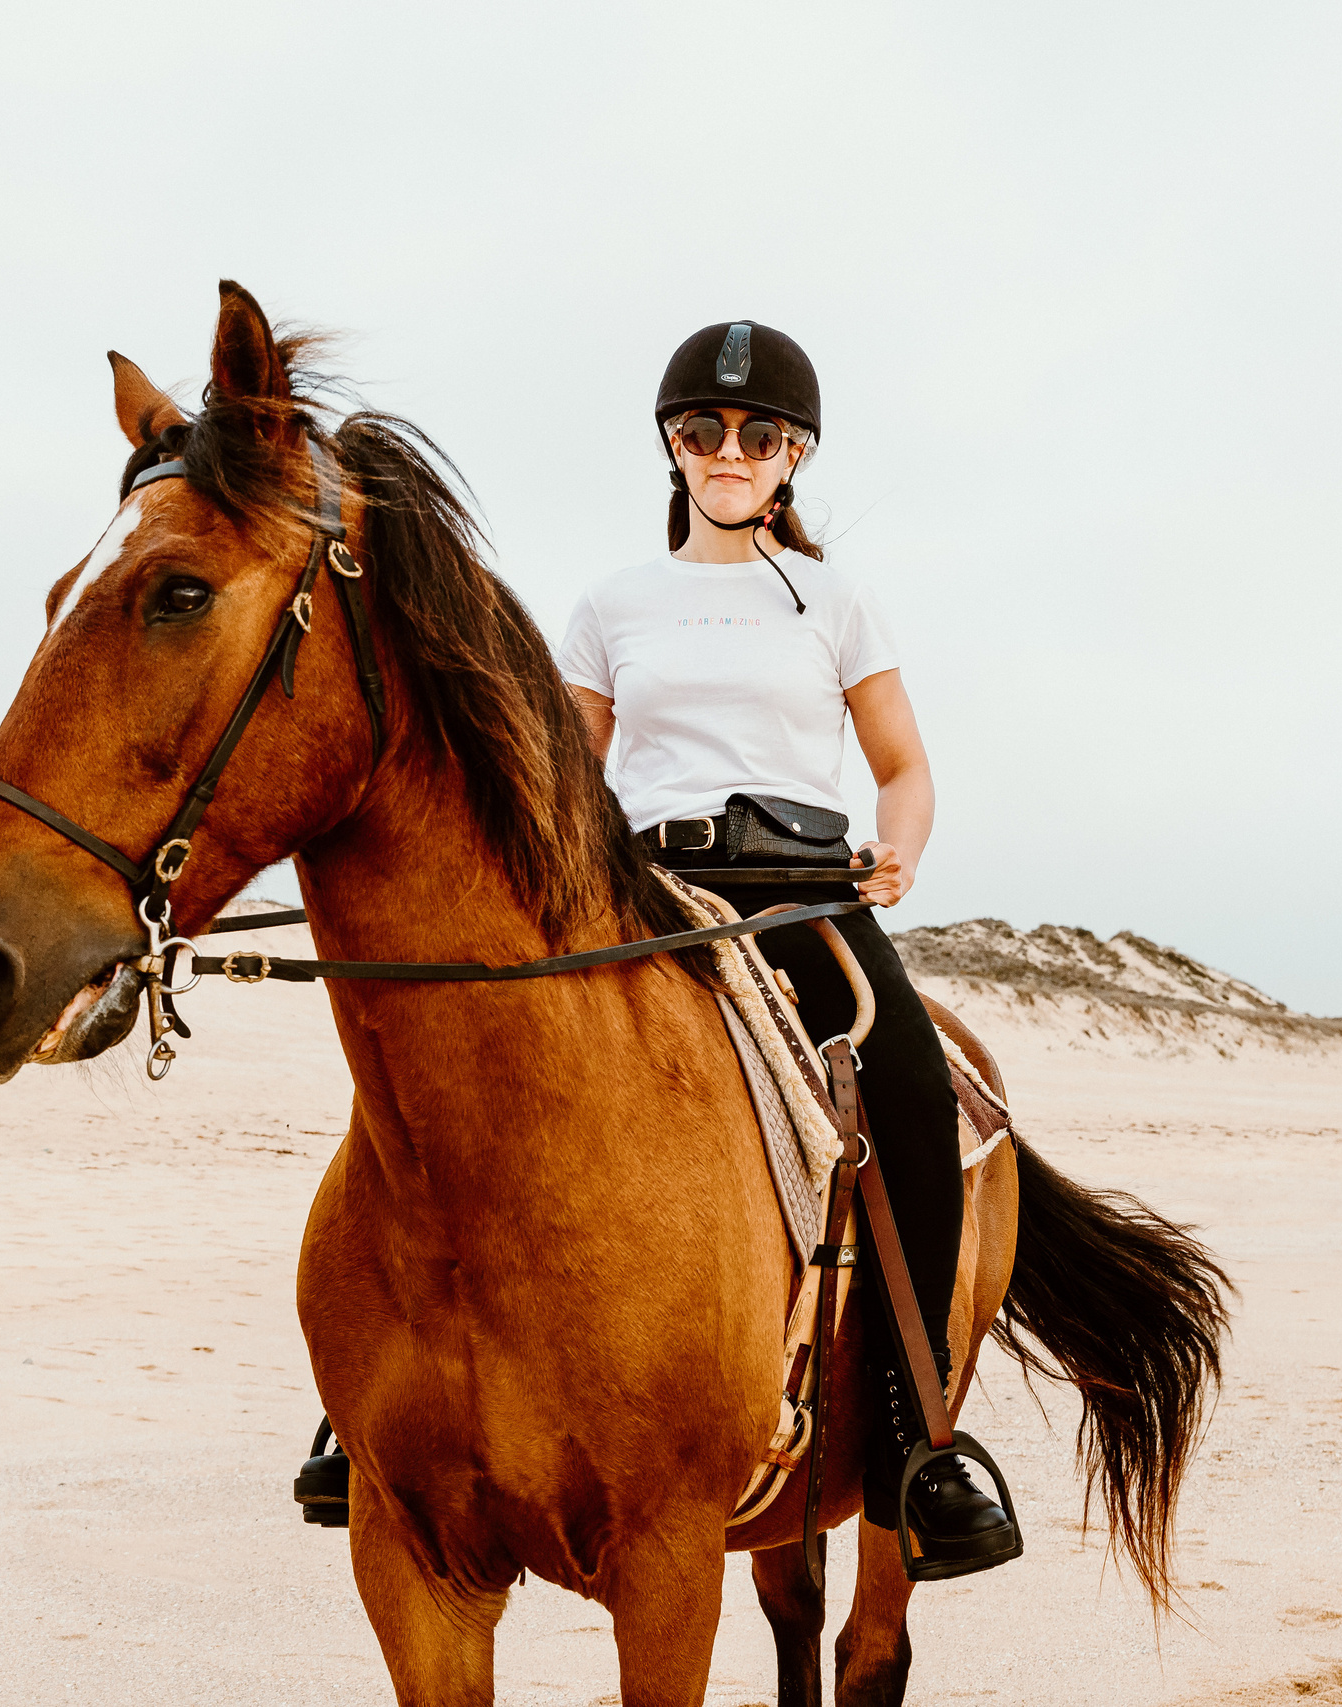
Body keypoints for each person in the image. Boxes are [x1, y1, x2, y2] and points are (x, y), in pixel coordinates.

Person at [551, 319, 1020, 1579]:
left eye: (759, 436)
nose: (729, 452)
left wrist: (901, 849)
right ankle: (369, 1399)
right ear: (672, 442)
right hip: (646, 891)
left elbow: (904, 764)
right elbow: (565, 773)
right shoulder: (609, 603)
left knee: (918, 1100)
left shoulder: (836, 599)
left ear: (793, 457)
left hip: (804, 896)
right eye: (704, 430)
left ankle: (922, 1448)